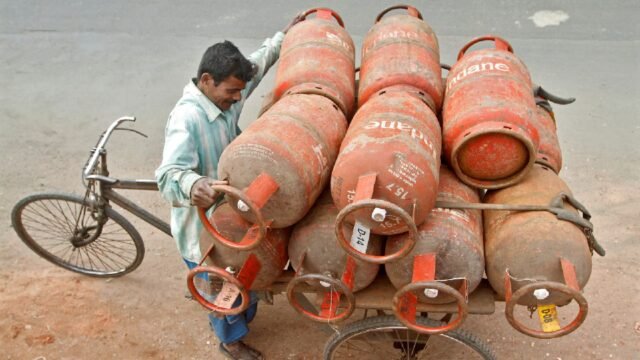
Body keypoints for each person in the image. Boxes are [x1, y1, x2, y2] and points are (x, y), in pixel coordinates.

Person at [155, 13, 304, 360]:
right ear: (207, 80)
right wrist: (195, 185)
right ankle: (230, 340)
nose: (238, 98)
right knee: (225, 282)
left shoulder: (222, 99)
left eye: (239, 91)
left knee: (241, 275)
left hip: (235, 212)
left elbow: (257, 64)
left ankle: (233, 307)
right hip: (205, 227)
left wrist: (284, 37)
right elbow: (168, 174)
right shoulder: (187, 118)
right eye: (232, 92)